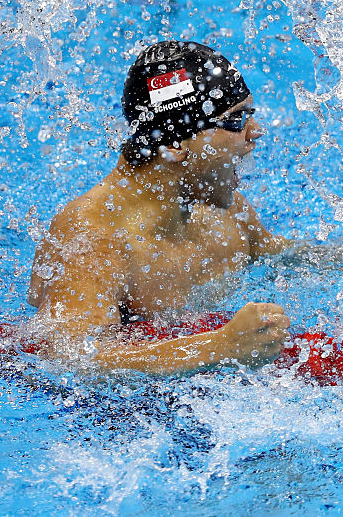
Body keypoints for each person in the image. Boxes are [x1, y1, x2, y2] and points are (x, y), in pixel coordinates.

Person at [28, 41, 294, 375]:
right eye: (236, 120)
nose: (255, 133)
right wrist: (220, 346)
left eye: (250, 115)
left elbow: (282, 256)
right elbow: (73, 360)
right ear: (173, 145)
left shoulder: (222, 209)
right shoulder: (95, 238)